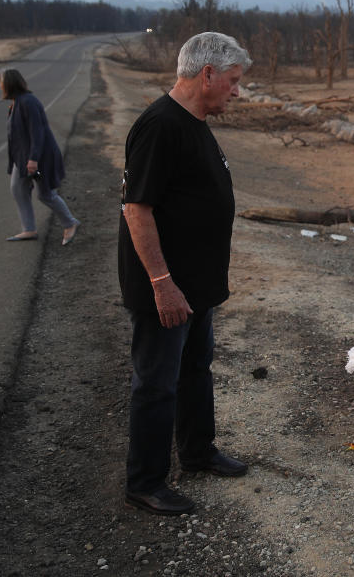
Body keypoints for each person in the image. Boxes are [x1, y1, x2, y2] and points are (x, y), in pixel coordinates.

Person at [118, 32, 252, 515]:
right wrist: (161, 283)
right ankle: (145, 482)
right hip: (167, 289)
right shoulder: (160, 126)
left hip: (197, 287)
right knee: (156, 383)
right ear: (207, 74)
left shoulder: (195, 122)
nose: (237, 92)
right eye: (233, 82)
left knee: (195, 370)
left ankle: (197, 451)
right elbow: (138, 209)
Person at [0, 68, 80, 244]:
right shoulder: (16, 104)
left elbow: (38, 132)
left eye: (1, 82)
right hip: (22, 161)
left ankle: (70, 223)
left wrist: (33, 159)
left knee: (46, 194)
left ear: (9, 84)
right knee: (18, 189)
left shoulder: (29, 102)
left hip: (40, 161)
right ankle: (28, 229)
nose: (0, 86)